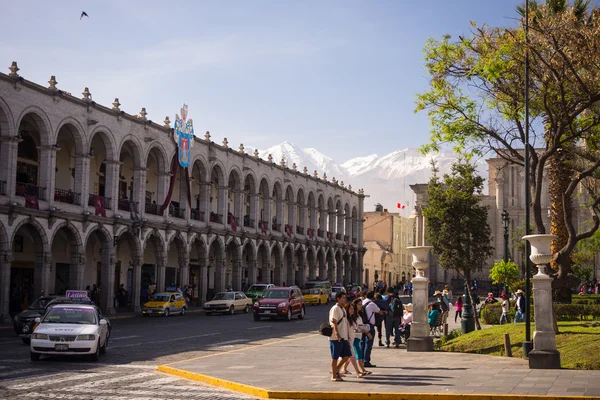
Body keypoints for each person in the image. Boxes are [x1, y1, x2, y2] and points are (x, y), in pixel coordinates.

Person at [339, 299, 371, 378]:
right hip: (352, 338)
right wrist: (360, 330)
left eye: (361, 304)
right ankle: (359, 371)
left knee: (347, 356)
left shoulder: (356, 315)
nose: (360, 306)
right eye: (359, 304)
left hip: (355, 337)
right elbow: (353, 328)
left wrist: (363, 330)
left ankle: (340, 369)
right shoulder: (349, 318)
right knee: (355, 354)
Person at [328, 291, 352, 382]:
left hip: (344, 337)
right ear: (338, 299)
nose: (345, 299)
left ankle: (336, 370)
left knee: (347, 355)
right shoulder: (335, 308)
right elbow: (334, 321)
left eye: (345, 298)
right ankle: (334, 375)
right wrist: (337, 333)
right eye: (343, 298)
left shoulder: (343, 309)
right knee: (335, 357)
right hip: (336, 337)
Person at [360, 290, 382, 368]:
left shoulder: (362, 302)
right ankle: (366, 361)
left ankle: (361, 360)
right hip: (370, 325)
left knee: (362, 343)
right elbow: (380, 312)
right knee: (368, 343)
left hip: (362, 325)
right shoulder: (372, 304)